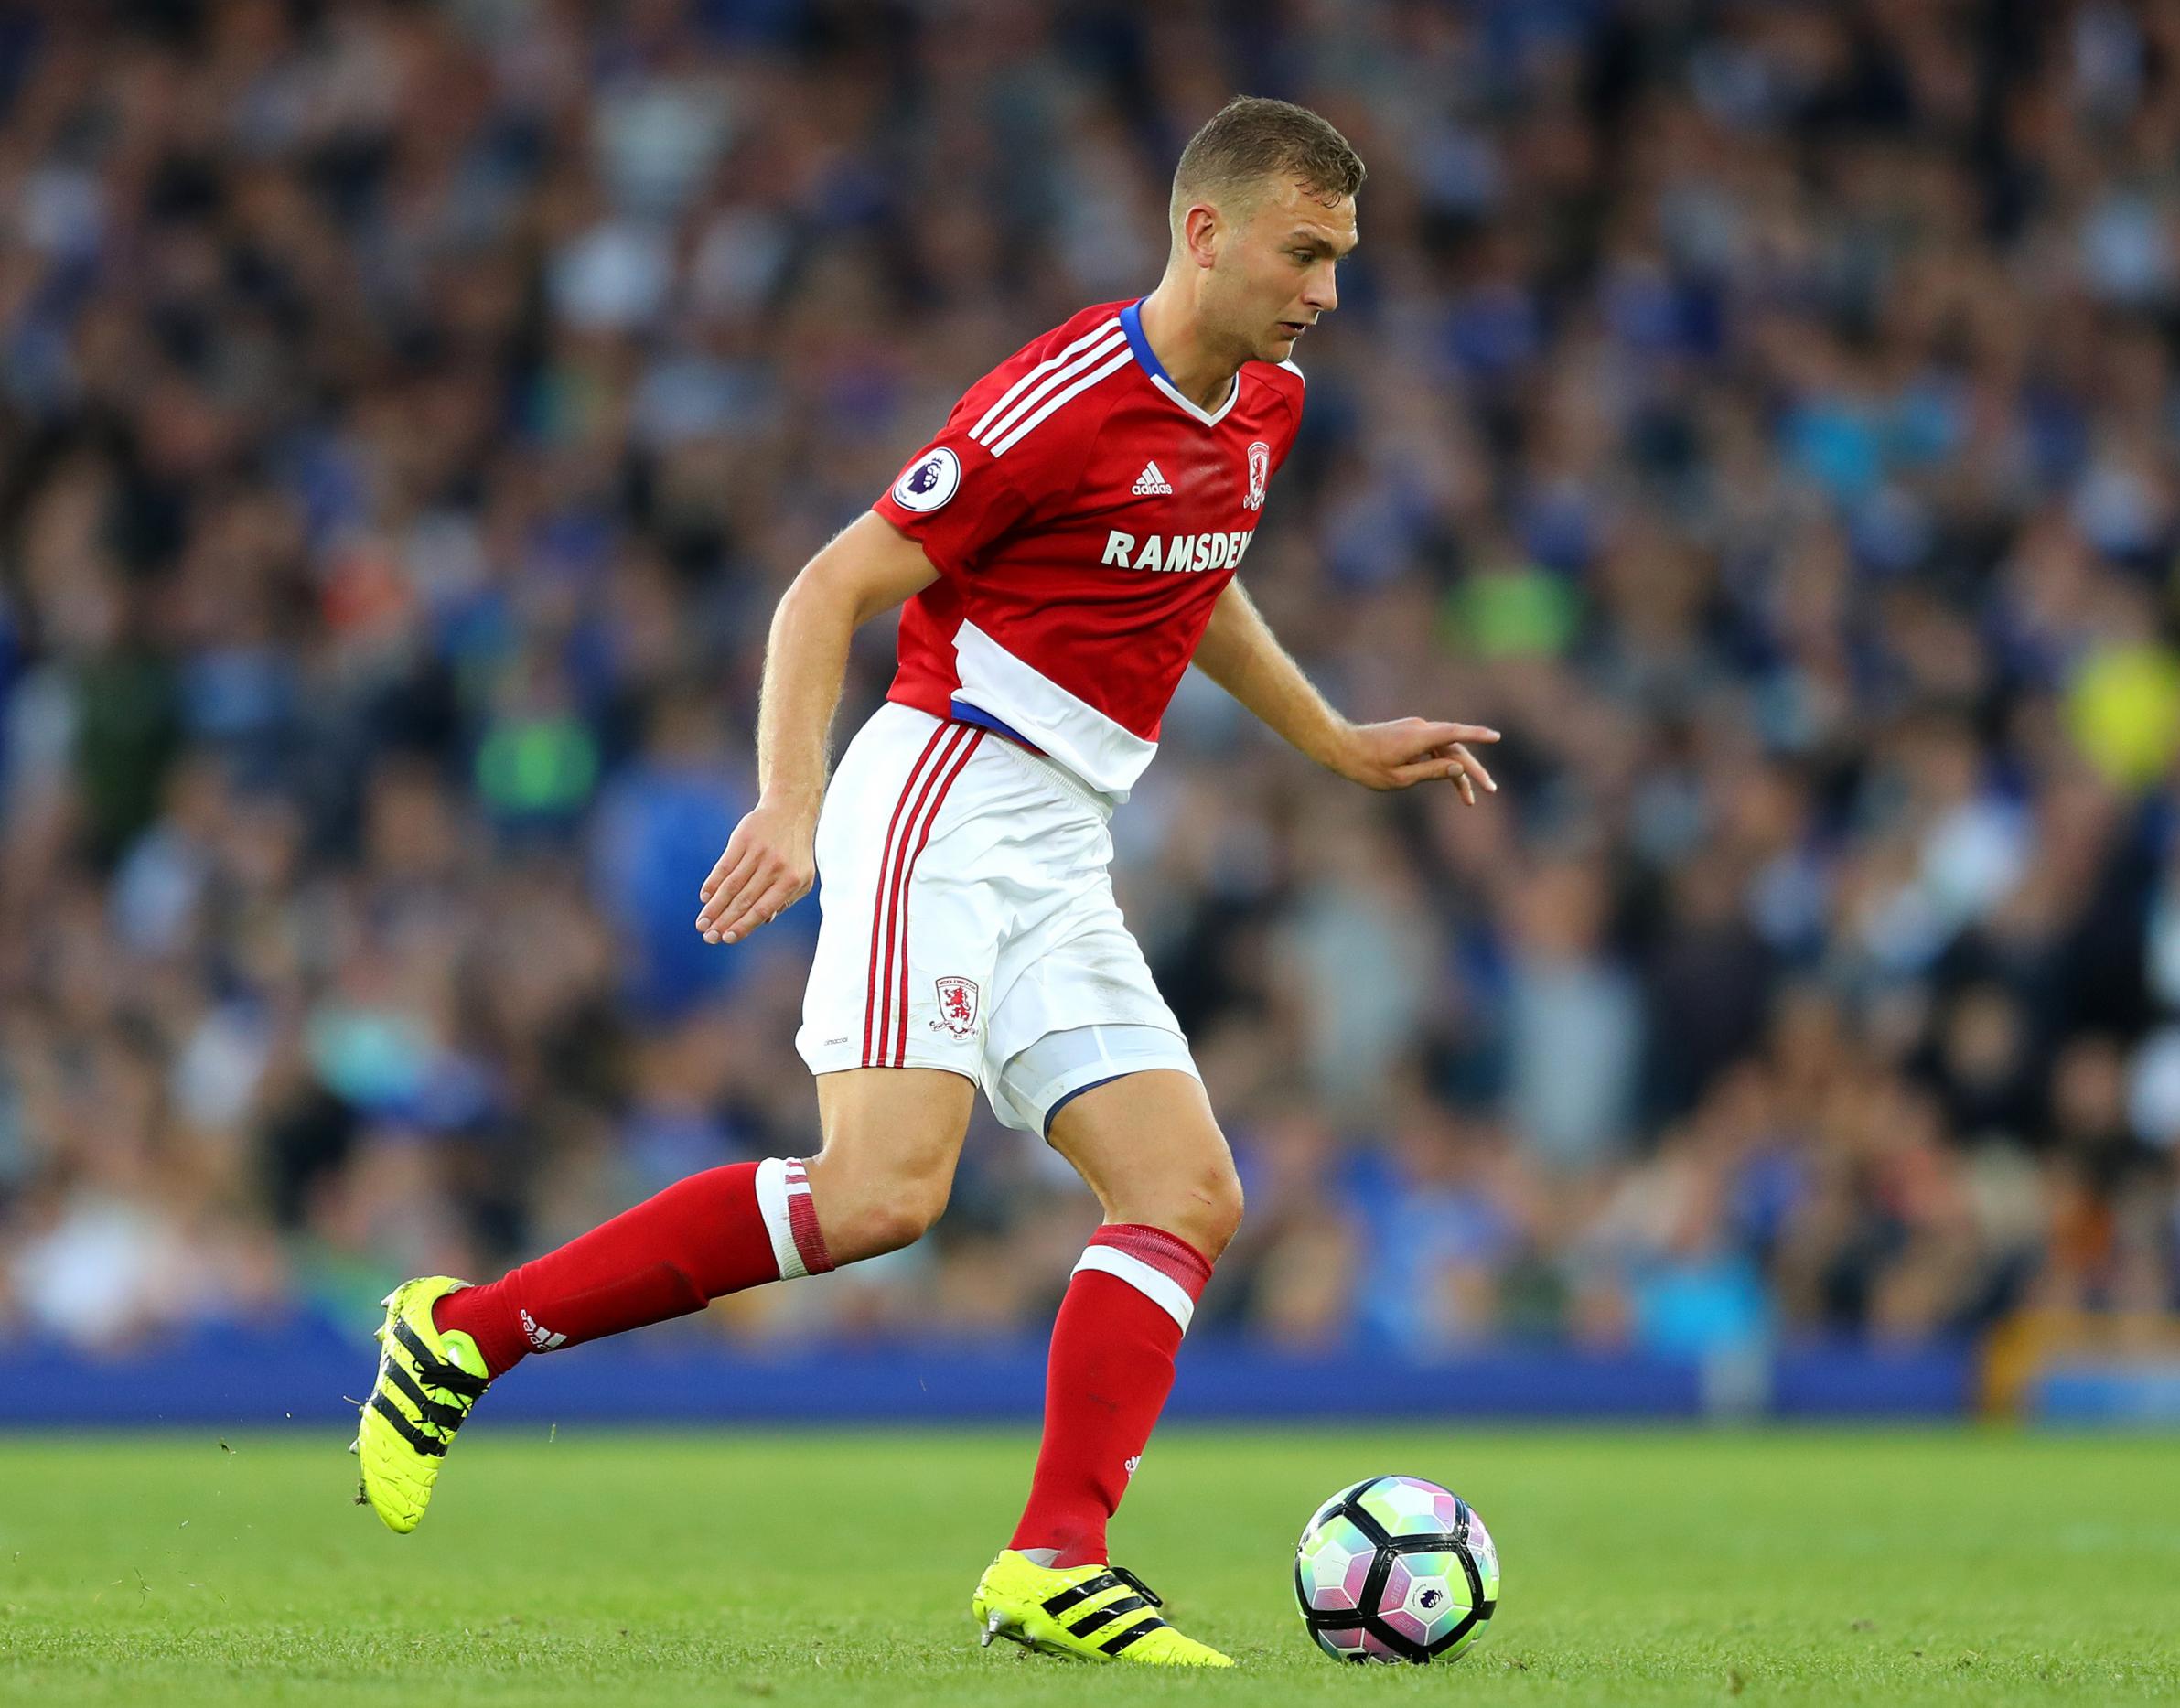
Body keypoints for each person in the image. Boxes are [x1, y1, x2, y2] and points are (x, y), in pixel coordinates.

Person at [352, 95, 1497, 1668]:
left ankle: (1054, 1560)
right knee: (884, 1192)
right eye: (1305, 253)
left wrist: (1340, 743)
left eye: (1344, 260)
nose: (1326, 292)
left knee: (1186, 1192)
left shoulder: (1266, 407)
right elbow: (828, 587)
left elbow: (1199, 573)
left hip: (1060, 842)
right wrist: (791, 801)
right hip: (944, 791)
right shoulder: (1061, 401)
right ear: (1204, 231)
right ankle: (460, 1335)